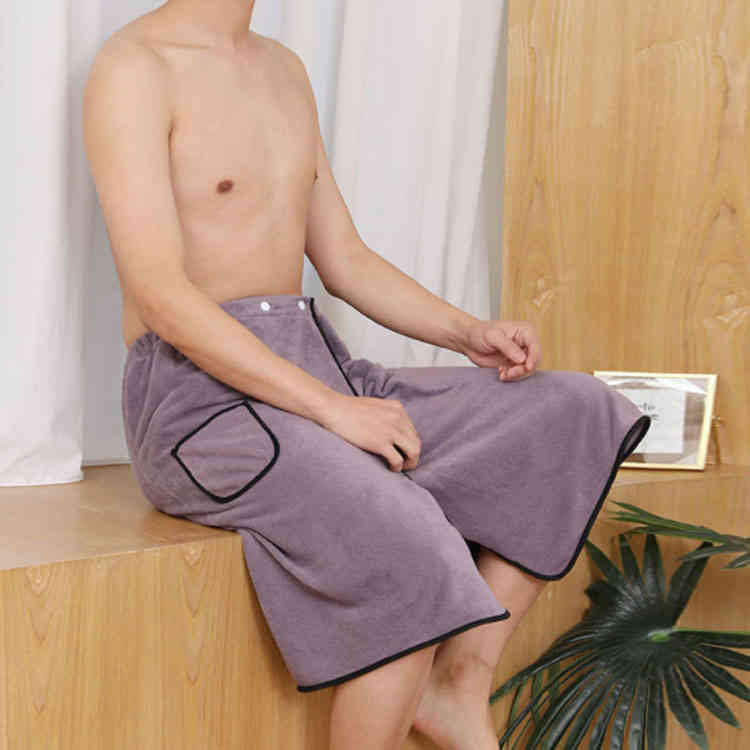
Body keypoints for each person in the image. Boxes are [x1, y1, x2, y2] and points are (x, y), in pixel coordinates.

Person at [82, 2, 651, 749]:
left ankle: (457, 686)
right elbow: (160, 295)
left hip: (318, 368)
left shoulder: (281, 68)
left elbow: (343, 259)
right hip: (200, 406)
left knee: (572, 410)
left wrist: (467, 331)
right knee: (407, 534)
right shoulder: (134, 69)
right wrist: (330, 411)